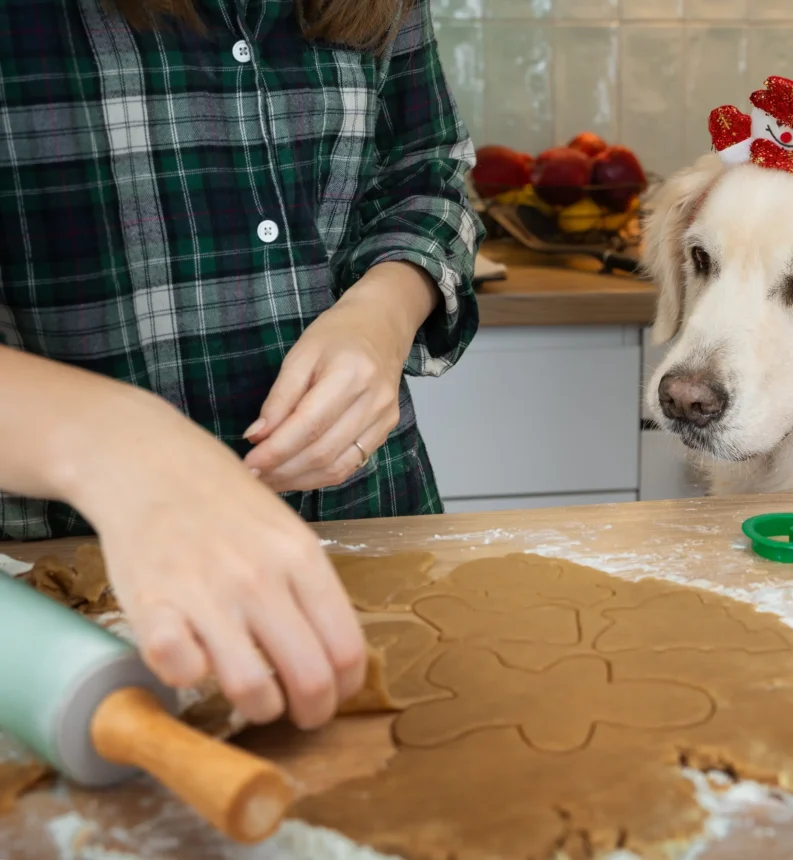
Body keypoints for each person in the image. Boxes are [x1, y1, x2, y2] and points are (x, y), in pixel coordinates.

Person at [0, 0, 483, 730]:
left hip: (372, 525)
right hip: (55, 604)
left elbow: (427, 172)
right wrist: (104, 440)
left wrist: (382, 313)